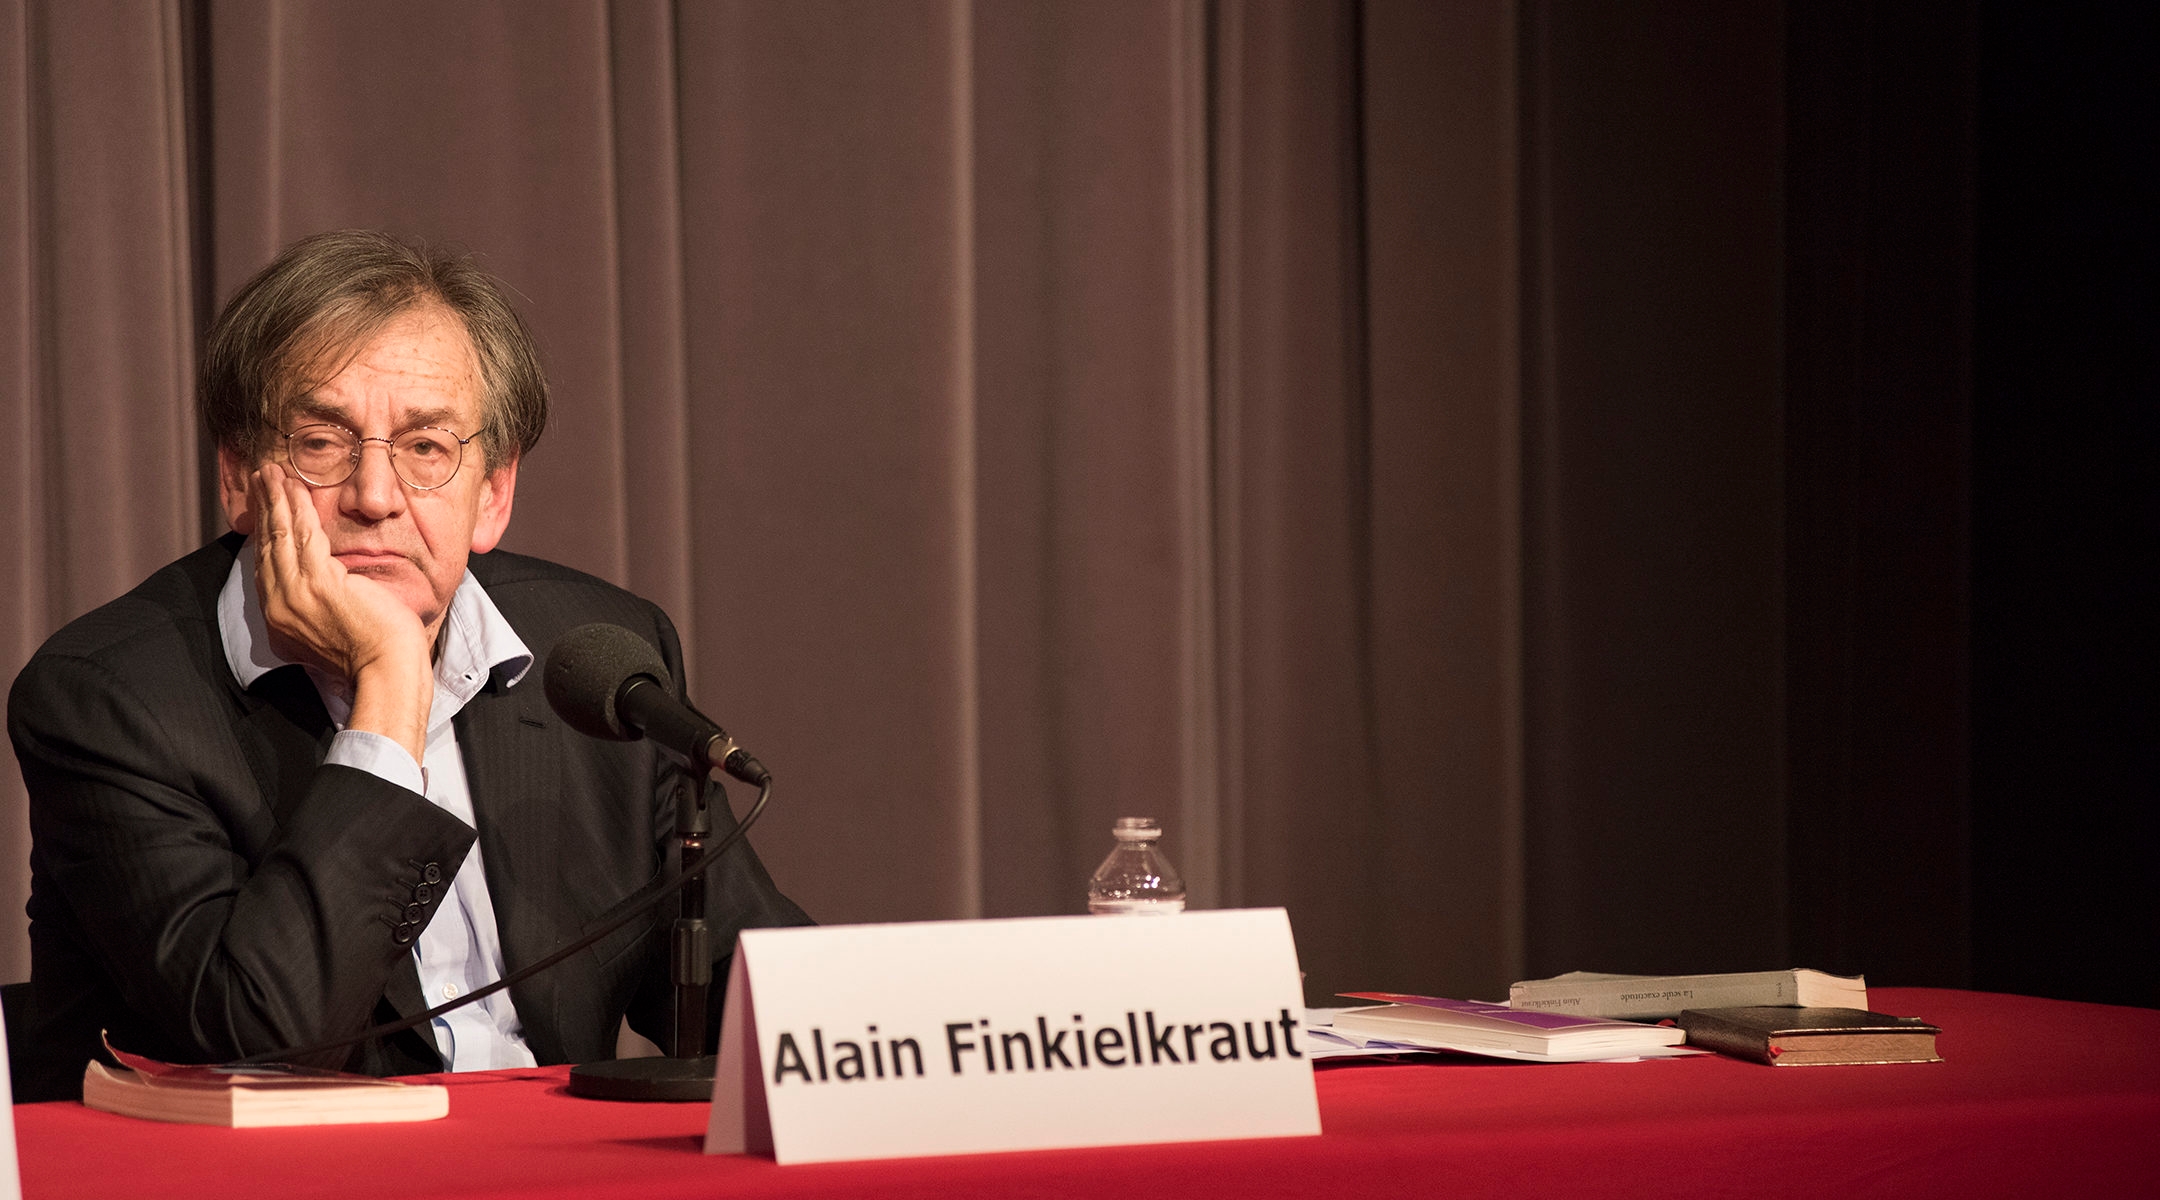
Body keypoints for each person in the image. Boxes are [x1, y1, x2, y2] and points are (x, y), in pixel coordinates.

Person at [6, 230, 809, 1102]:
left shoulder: (597, 651)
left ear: (492, 493)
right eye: (321, 442)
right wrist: (389, 685)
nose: (375, 496)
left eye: (427, 449)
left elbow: (763, 1000)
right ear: (239, 477)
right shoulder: (111, 698)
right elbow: (265, 1042)